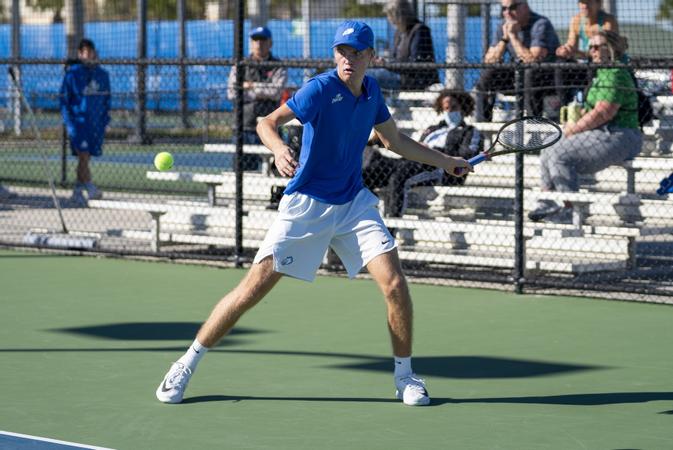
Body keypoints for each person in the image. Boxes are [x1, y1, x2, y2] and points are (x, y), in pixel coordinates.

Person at [155, 20, 471, 407]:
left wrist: (446, 161)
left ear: (372, 56)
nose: (348, 59)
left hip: (353, 202)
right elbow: (266, 122)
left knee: (394, 284)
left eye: (356, 52)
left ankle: (405, 376)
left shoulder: (372, 93)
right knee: (252, 289)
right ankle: (185, 363)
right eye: (342, 51)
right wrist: (277, 149)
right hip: (307, 204)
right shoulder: (320, 89)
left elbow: (394, 141)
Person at [529, 30, 642, 222]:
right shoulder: (602, 72)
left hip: (621, 135)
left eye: (598, 46)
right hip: (601, 133)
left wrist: (573, 129)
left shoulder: (615, 72)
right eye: (591, 47)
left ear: (611, 48)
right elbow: (594, 110)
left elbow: (604, 112)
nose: (593, 51)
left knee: (559, 154)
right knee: (549, 147)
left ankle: (570, 209)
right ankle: (547, 201)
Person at [363, 89, 482, 217]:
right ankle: (366, 213)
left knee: (398, 178)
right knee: (370, 170)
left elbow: (467, 154)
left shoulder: (469, 131)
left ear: (463, 107)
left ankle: (391, 225)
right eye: (446, 108)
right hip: (412, 162)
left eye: (453, 107)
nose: (449, 111)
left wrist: (433, 151)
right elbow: (414, 148)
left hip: (437, 167)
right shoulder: (432, 129)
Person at [475, 0, 560, 121]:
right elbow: (489, 60)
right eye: (503, 9)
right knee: (488, 73)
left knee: (530, 73)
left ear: (525, 6)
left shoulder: (540, 24)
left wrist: (513, 37)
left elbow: (533, 61)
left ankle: (533, 122)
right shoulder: (503, 26)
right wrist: (505, 39)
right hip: (517, 76)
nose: (507, 12)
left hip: (545, 78)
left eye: (512, 7)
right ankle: (482, 125)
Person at [226, 26, 288, 170]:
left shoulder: (278, 66)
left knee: (278, 170)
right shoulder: (241, 64)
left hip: (270, 127)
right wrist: (261, 91)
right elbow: (232, 93)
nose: (259, 44)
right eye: (255, 40)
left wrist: (251, 86)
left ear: (270, 43)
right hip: (244, 127)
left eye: (263, 40)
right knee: (244, 171)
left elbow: (276, 92)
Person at [60, 38, 111, 206]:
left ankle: (77, 190)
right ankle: (88, 187)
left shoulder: (102, 75)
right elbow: (64, 101)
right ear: (80, 54)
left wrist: (105, 121)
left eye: (90, 51)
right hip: (78, 124)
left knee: (86, 158)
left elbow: (107, 100)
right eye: (84, 52)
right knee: (83, 156)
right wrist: (69, 123)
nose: (88, 55)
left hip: (95, 125)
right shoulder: (73, 74)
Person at [555, 0, 619, 104]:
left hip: (603, 66)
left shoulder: (608, 21)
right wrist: (566, 50)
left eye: (588, 2)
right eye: (581, 2)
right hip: (584, 65)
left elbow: (606, 51)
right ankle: (564, 106)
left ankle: (586, 104)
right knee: (560, 64)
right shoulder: (576, 20)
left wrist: (582, 53)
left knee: (592, 64)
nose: (584, 6)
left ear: (599, 4)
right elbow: (572, 46)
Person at [369, 0, 439, 91]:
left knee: (368, 76)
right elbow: (395, 59)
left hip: (414, 80)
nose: (389, 19)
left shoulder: (420, 30)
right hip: (397, 74)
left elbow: (416, 63)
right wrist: (384, 63)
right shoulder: (398, 33)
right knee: (366, 72)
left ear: (398, 15)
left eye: (390, 15)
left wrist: (387, 65)